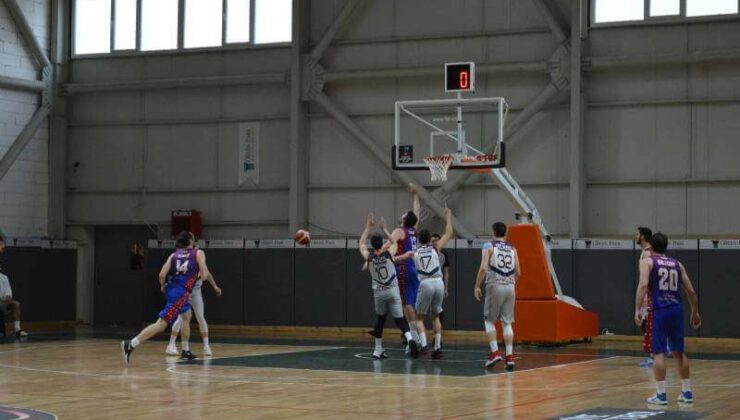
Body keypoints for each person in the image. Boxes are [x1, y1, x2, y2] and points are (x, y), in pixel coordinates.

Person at [121, 231, 210, 364]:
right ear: (191, 241)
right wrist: (197, 273)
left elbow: (162, 274)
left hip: (172, 289)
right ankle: (130, 344)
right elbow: (204, 276)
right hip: (181, 293)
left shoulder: (174, 255)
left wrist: (163, 286)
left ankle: (185, 351)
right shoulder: (198, 253)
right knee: (161, 324)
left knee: (187, 315)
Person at [635, 232, 701, 405]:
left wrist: (637, 309)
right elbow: (691, 291)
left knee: (658, 352)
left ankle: (661, 394)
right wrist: (695, 311)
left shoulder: (648, 261)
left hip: (659, 309)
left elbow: (643, 285)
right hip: (676, 309)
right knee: (679, 352)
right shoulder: (677, 264)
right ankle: (687, 392)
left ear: (651, 246)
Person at [359, 214, 419, 359]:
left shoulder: (369, 257)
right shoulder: (389, 254)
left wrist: (368, 227)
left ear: (372, 245)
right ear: (382, 243)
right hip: (392, 290)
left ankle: (377, 349)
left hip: (379, 293)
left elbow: (361, 243)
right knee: (400, 319)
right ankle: (410, 338)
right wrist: (385, 229)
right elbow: (393, 242)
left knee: (380, 320)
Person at [474, 222, 521, 371]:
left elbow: (483, 268)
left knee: (489, 320)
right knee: (507, 322)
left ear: (493, 232)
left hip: (495, 285)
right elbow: (518, 272)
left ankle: (494, 352)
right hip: (510, 286)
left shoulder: (488, 246)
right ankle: (509, 357)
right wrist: (510, 281)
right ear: (505, 233)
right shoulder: (513, 248)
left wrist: (476, 286)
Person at [413, 208, 454, 359]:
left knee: (418, 318)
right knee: (436, 316)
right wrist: (448, 216)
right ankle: (437, 348)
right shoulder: (435, 248)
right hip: (439, 282)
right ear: (430, 239)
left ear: (419, 240)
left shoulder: (415, 251)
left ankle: (424, 346)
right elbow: (449, 233)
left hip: (425, 283)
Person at [390, 184, 421, 350]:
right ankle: (415, 335)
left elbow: (389, 249)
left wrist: (384, 254)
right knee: (410, 304)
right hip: (414, 269)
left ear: (404, 219)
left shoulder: (399, 231)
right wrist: (415, 195)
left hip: (403, 268)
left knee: (406, 303)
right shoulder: (413, 230)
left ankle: (413, 337)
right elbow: (417, 213)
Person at [166, 271, 222, 357]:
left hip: (196, 293)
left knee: (200, 317)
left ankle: (206, 346)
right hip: (185, 293)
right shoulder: (185, 266)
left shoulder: (200, 265)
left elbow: (207, 273)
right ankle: (171, 344)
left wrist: (215, 286)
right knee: (180, 318)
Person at [0, 237, 28, 338]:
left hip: (3, 301)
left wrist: (7, 298)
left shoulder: (4, 277)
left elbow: (8, 294)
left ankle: (17, 330)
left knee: (16, 304)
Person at [635, 226, 655, 368]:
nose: (636, 236)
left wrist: (644, 301)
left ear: (642, 236)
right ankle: (655, 354)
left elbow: (646, 281)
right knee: (646, 326)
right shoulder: (647, 252)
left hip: (649, 297)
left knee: (648, 326)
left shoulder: (647, 254)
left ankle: (655, 355)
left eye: (637, 234)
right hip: (648, 296)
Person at [431, 233, 451, 327]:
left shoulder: (443, 255)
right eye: (432, 241)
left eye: (436, 240)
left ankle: (438, 330)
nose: (434, 243)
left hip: (438, 283)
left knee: (437, 308)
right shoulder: (426, 253)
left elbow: (446, 272)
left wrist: (446, 288)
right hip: (427, 283)